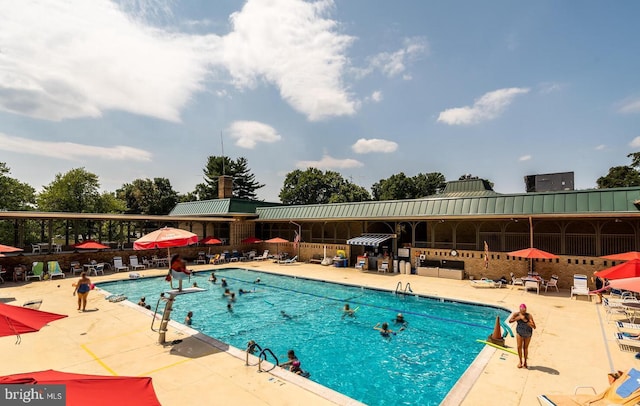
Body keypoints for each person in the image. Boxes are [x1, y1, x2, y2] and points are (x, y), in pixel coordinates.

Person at [508, 303, 536, 369]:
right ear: (520, 310)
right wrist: (518, 318)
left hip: (527, 333)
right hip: (519, 332)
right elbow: (510, 321)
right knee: (519, 347)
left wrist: (525, 321)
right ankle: (520, 361)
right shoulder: (516, 314)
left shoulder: (529, 316)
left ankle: (525, 362)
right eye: (522, 311)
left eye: (524, 311)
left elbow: (534, 326)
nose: (523, 312)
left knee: (525, 348)